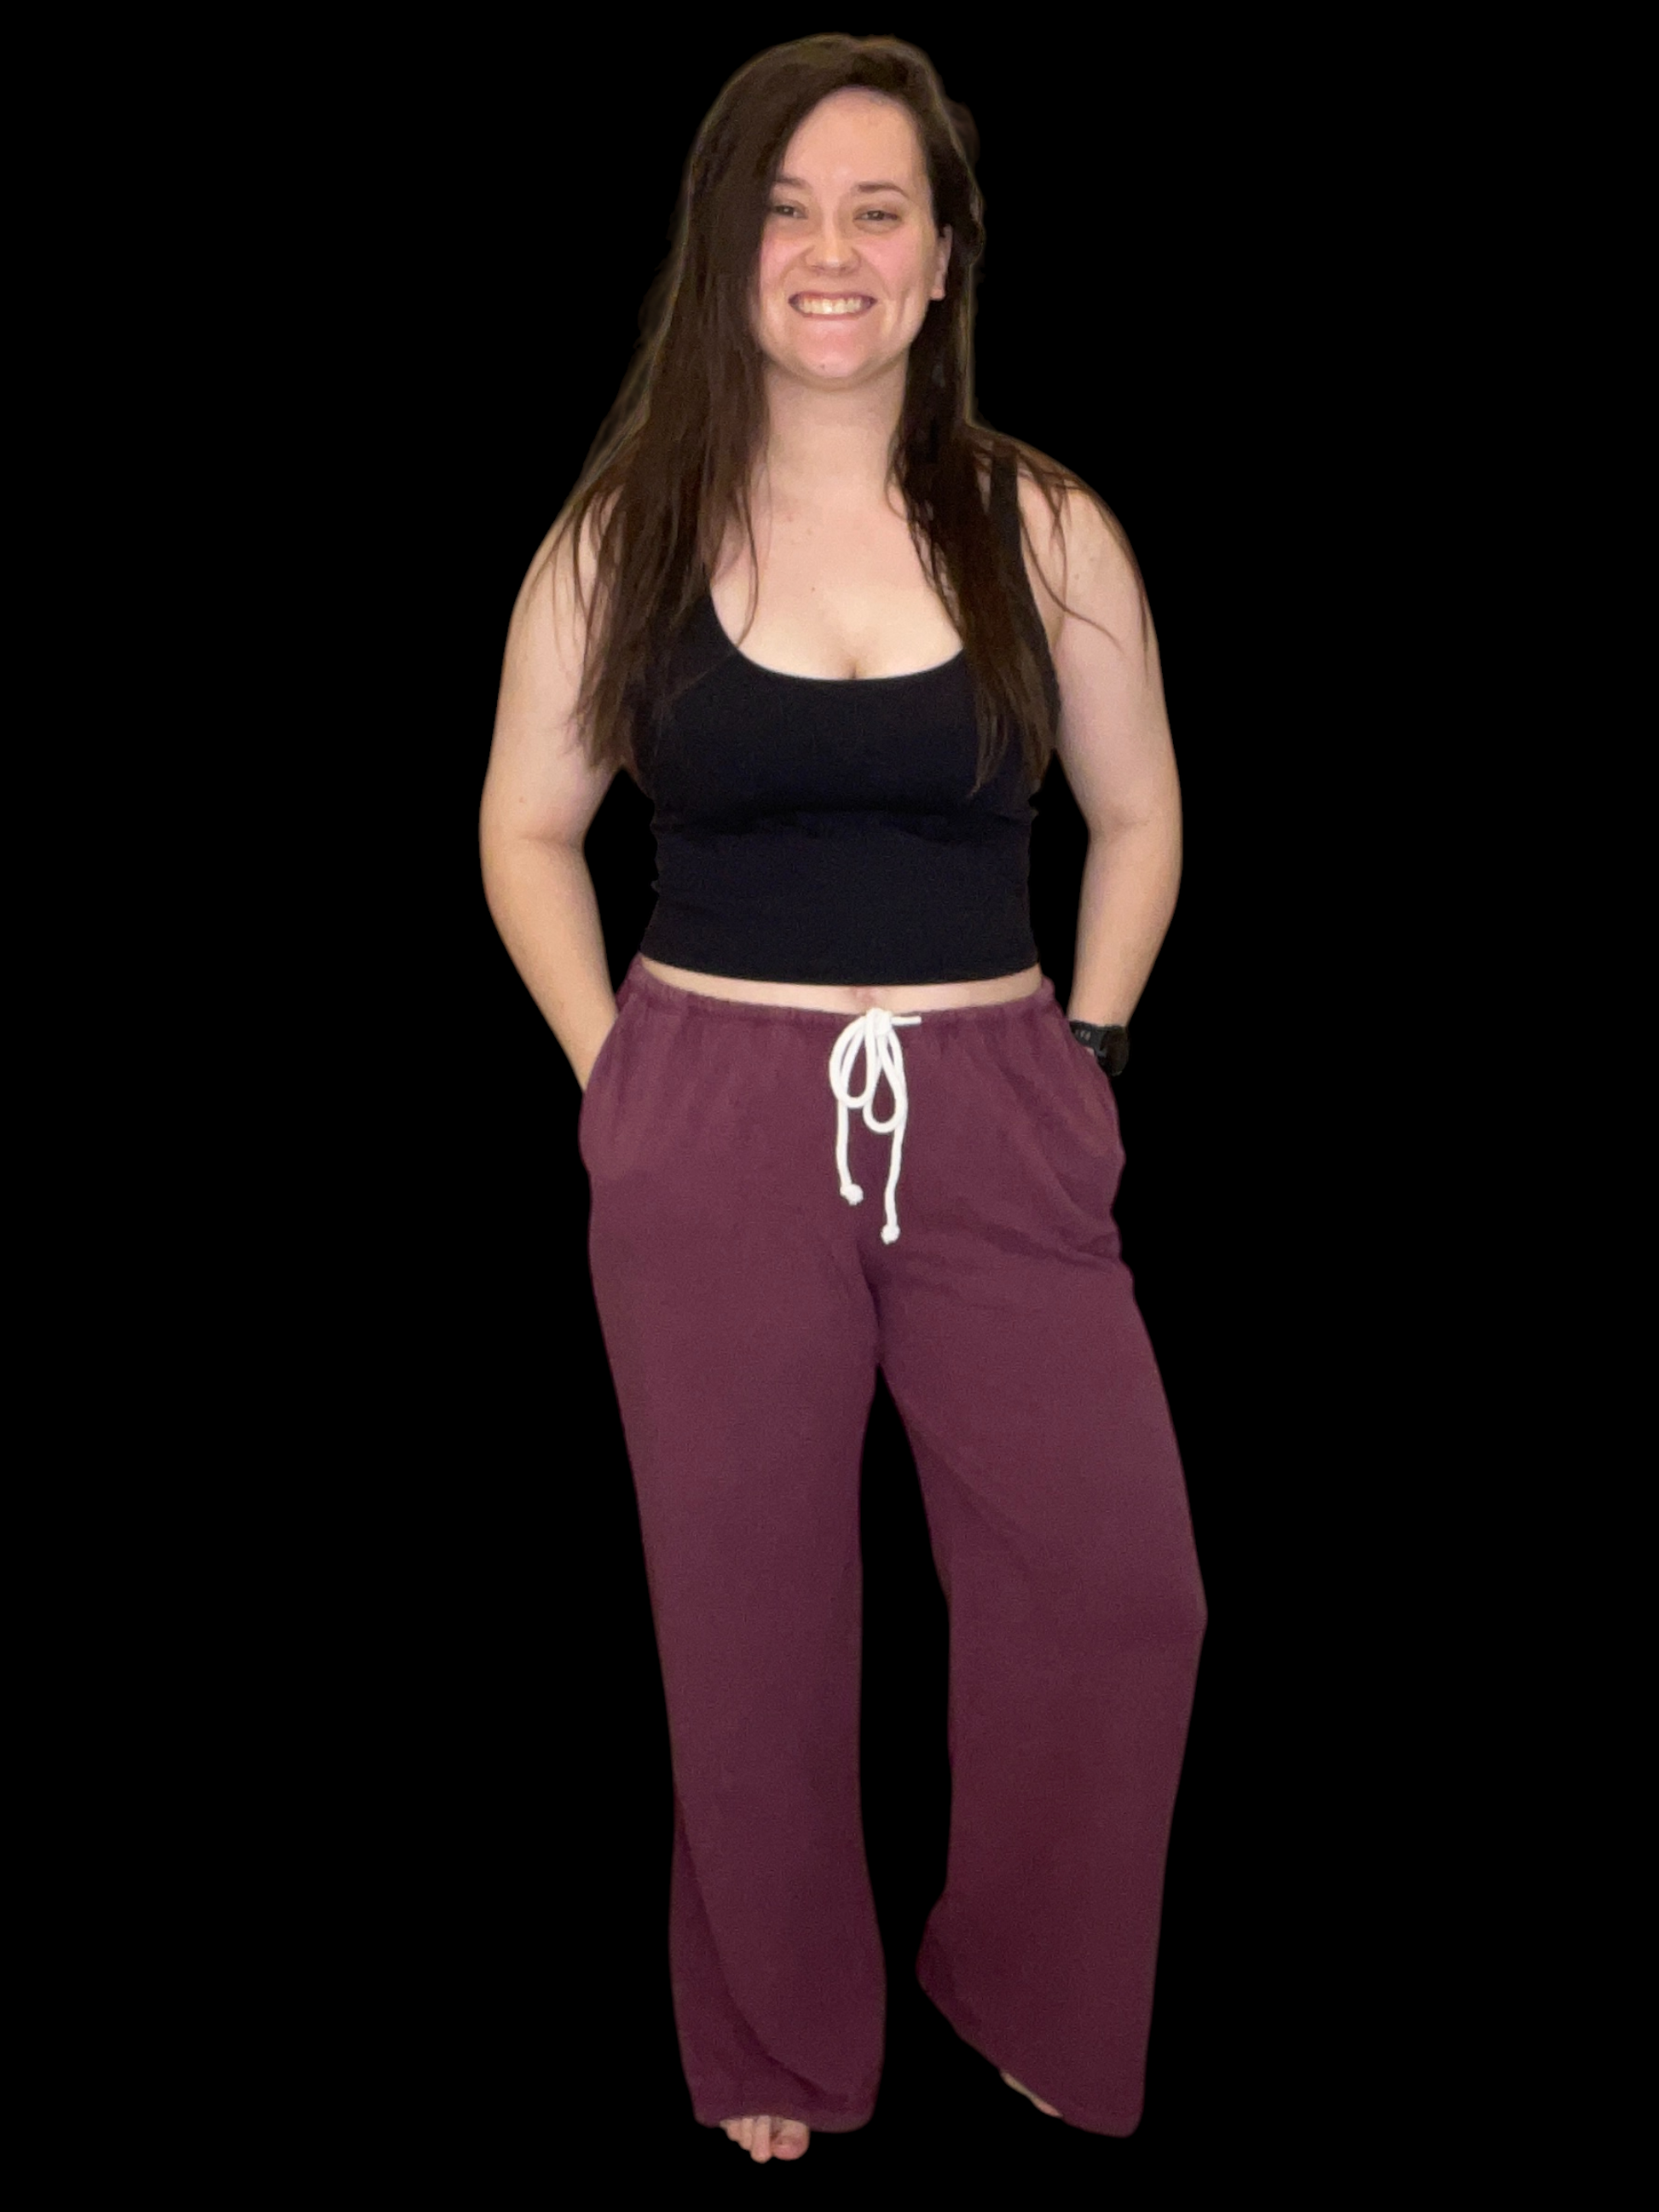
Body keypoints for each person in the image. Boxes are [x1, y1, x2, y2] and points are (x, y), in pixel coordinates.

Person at [479, 34, 1205, 2166]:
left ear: (944, 254)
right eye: (787, 210)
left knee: (1120, 1588)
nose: (831, 251)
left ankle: (1028, 1981)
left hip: (991, 1102)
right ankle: (778, 2037)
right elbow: (524, 826)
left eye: (878, 209)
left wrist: (1086, 1052)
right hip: (708, 1106)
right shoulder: (626, 531)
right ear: (728, 250)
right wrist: (620, 1077)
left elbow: (1139, 814)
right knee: (750, 1610)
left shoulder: (1042, 525)